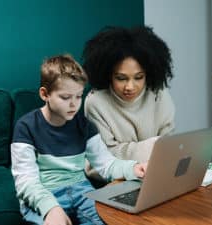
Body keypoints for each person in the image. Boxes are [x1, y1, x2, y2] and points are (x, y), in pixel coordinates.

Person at [11, 54, 147, 225]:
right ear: (45, 94)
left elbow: (106, 165)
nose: (74, 105)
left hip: (81, 190)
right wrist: (51, 208)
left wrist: (134, 168)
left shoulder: (84, 125)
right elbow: (26, 181)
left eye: (78, 96)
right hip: (44, 194)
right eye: (65, 98)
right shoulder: (26, 127)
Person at [82, 26, 175, 164]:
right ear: (108, 75)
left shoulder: (159, 93)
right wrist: (153, 146)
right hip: (115, 177)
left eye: (138, 77)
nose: (130, 87)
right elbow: (105, 156)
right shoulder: (95, 102)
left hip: (156, 169)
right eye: (121, 78)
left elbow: (168, 145)